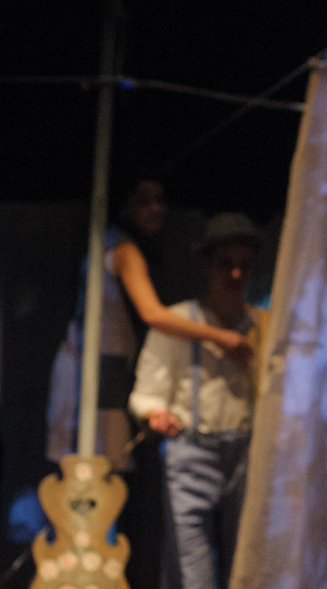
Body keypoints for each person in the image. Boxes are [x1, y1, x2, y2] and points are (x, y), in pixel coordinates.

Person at [128, 212, 267, 589]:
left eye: (244, 265)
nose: (235, 275)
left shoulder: (262, 324)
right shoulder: (178, 321)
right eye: (225, 264)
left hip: (246, 453)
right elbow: (145, 392)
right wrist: (155, 414)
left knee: (244, 581)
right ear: (207, 265)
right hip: (192, 451)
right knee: (194, 584)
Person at [46, 180, 253, 471]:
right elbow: (152, 314)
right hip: (94, 369)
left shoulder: (119, 244)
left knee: (101, 466)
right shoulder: (122, 248)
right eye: (144, 200)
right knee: (92, 468)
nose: (155, 209)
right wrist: (220, 337)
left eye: (159, 200)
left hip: (106, 366)